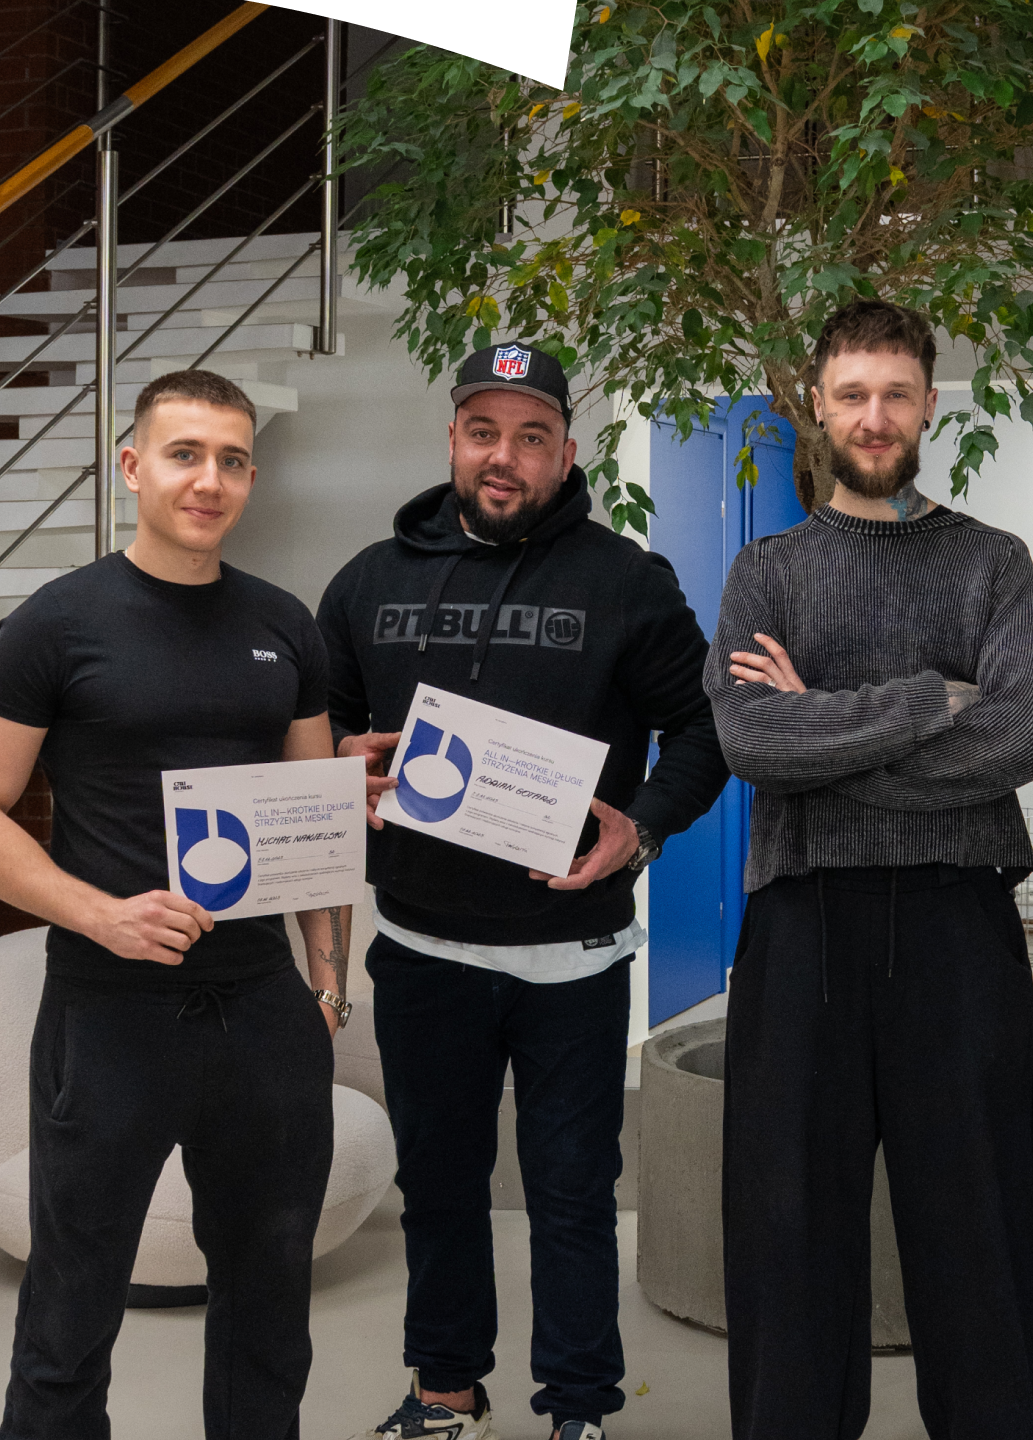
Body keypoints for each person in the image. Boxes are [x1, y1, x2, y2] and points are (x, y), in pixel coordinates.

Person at [321, 342, 728, 1440]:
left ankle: (579, 1409)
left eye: (531, 436)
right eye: (484, 432)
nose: (504, 456)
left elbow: (704, 730)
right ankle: (445, 1392)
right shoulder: (367, 582)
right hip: (422, 951)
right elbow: (322, 732)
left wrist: (641, 826)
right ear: (453, 440)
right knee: (439, 1188)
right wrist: (341, 767)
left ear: (566, 452)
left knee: (572, 1195)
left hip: (572, 960)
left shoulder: (626, 582)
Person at [0, 369, 347, 1440]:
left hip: (262, 1009)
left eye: (233, 460)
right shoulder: (56, 624)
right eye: (185, 454)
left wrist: (328, 985)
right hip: (111, 1009)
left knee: (270, 1307)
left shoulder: (284, 625)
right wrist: (99, 914)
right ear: (132, 466)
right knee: (70, 1311)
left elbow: (312, 824)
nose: (210, 480)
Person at [705, 298, 1033, 1439]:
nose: (873, 416)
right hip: (802, 923)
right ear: (817, 403)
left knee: (979, 1222)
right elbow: (751, 742)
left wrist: (823, 725)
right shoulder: (767, 571)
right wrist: (923, 701)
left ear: (928, 405)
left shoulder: (994, 564)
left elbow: (1016, 741)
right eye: (852, 394)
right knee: (788, 1223)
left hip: (959, 925)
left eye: (895, 394)